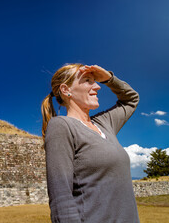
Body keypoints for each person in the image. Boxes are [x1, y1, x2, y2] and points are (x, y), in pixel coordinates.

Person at [41, 64, 140, 223]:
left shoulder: (105, 124)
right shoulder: (61, 126)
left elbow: (131, 99)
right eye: (88, 81)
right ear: (66, 90)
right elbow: (61, 199)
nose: (97, 87)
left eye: (96, 81)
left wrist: (109, 78)